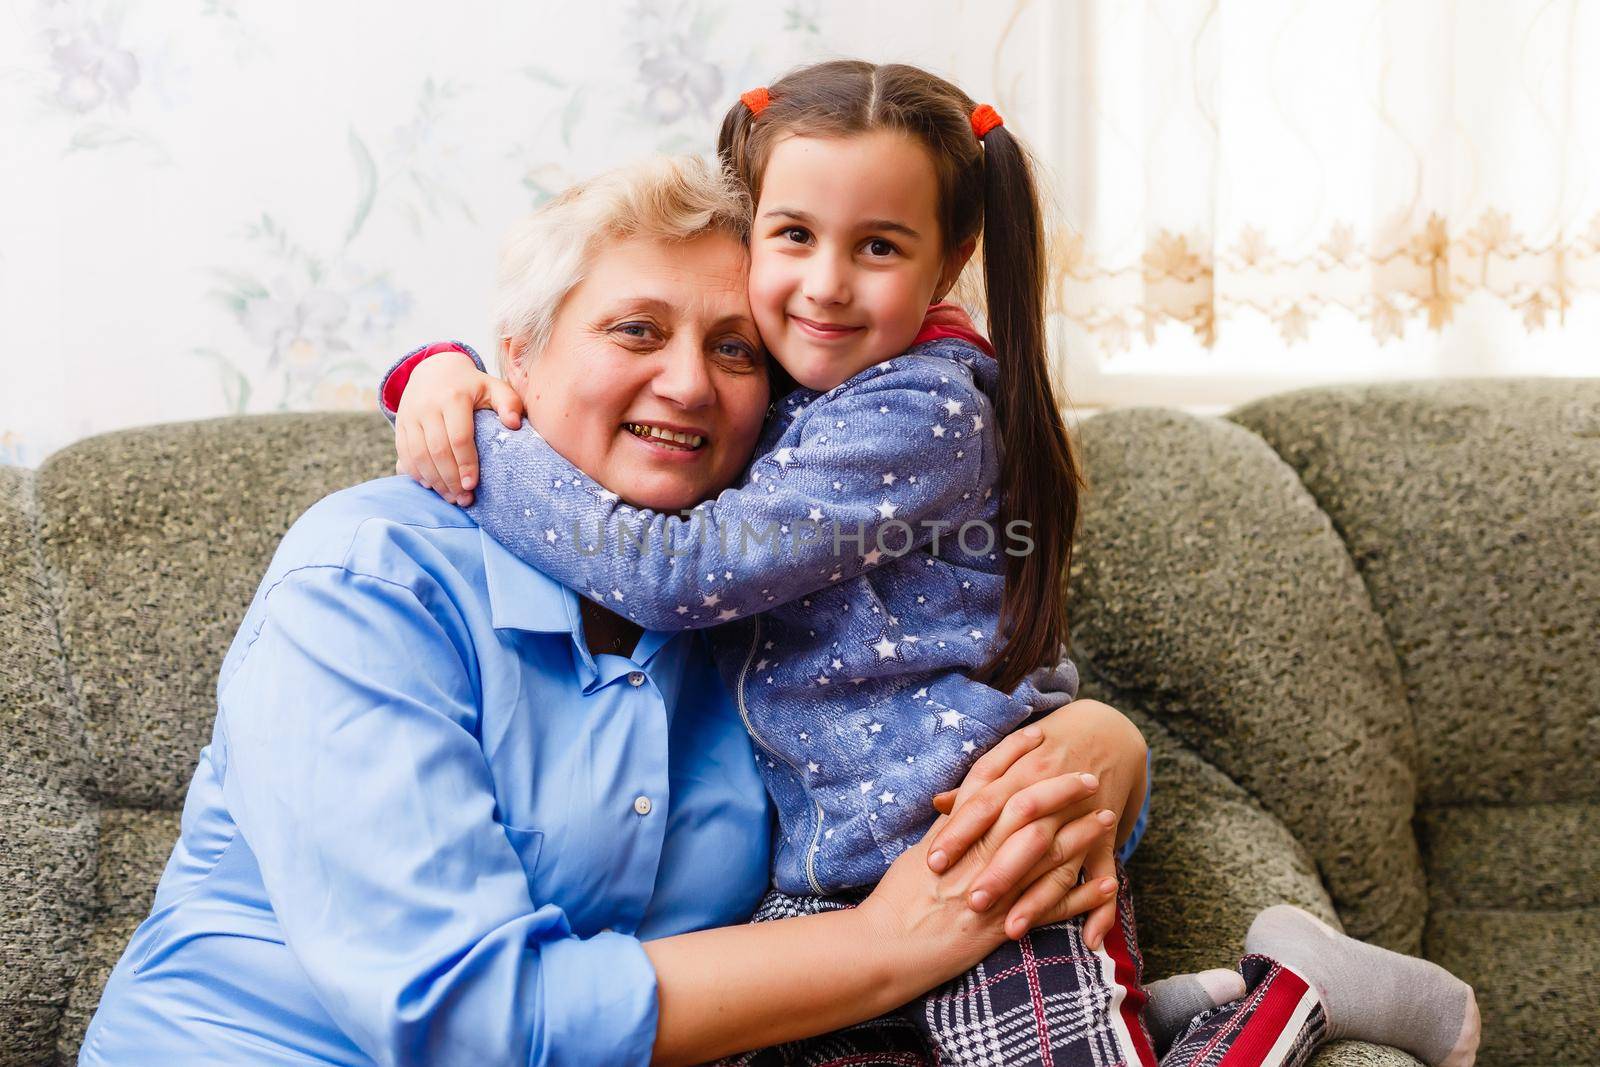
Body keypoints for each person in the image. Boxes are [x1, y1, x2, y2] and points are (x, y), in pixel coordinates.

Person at [388, 61, 1480, 1067]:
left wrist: (480, 441)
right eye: (792, 237)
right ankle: (1176, 1010)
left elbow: (682, 573)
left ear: (948, 259)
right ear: (752, 239)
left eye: (876, 247)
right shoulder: (770, 389)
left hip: (978, 855)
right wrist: (446, 365)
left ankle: (1301, 989)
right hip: (822, 880)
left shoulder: (923, 411)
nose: (822, 284)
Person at [77, 152, 1147, 1067]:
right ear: (519, 360)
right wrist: (885, 945)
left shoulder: (763, 604)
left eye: (734, 349)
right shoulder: (366, 583)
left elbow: (932, 730)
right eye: (635, 330)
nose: (688, 383)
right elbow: (461, 1019)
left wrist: (1102, 748)